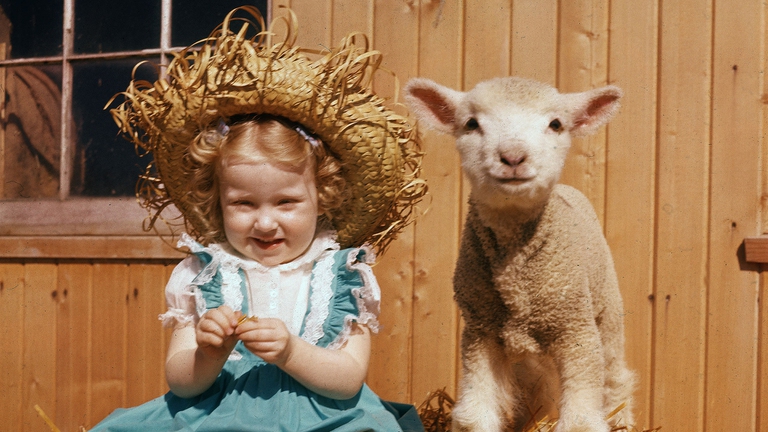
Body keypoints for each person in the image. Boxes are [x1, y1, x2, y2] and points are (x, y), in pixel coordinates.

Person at [92, 6, 426, 432]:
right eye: (244, 204)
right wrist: (208, 353)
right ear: (218, 202)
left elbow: (347, 380)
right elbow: (181, 384)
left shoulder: (342, 275)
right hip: (217, 419)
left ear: (322, 197)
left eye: (286, 203)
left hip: (325, 420)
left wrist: (290, 352)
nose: (265, 223)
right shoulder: (203, 273)